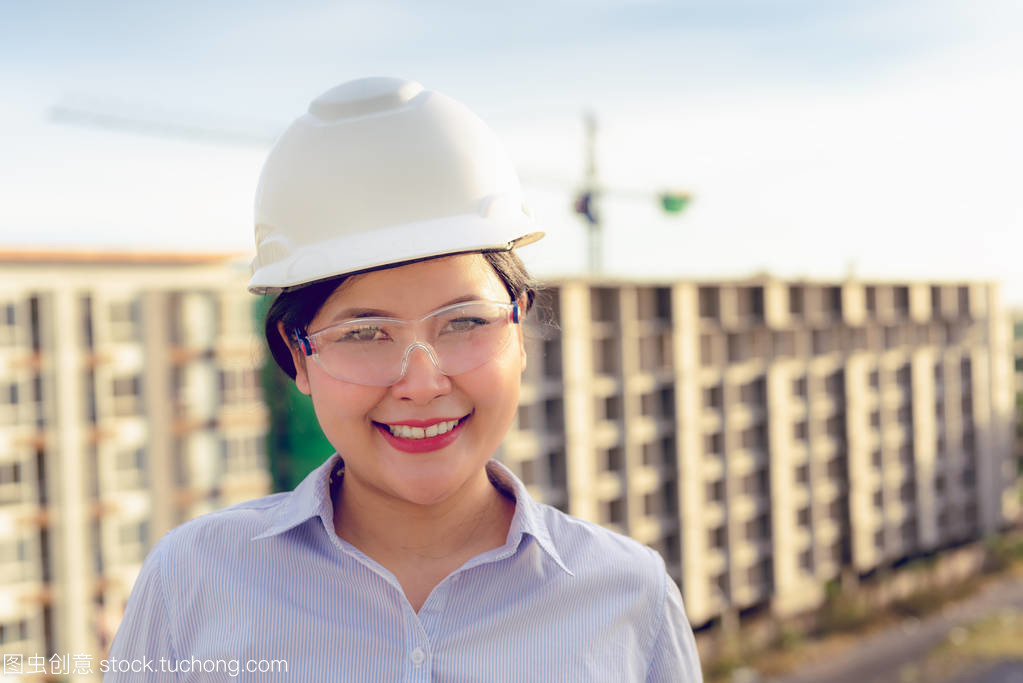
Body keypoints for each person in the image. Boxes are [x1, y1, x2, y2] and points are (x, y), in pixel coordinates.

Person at [106, 77, 702, 681]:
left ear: (520, 331)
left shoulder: (631, 598)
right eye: (365, 333)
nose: (422, 383)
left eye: (465, 321)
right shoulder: (192, 582)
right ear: (299, 355)